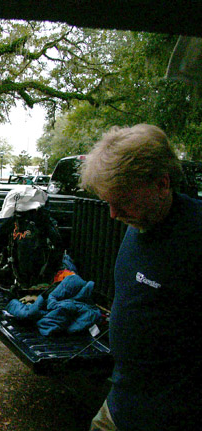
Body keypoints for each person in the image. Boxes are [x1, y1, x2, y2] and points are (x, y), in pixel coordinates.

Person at [80, 124, 201, 431]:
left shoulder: (194, 236)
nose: (112, 214)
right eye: (108, 201)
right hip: (119, 405)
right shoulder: (138, 225)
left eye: (122, 201)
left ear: (162, 183)